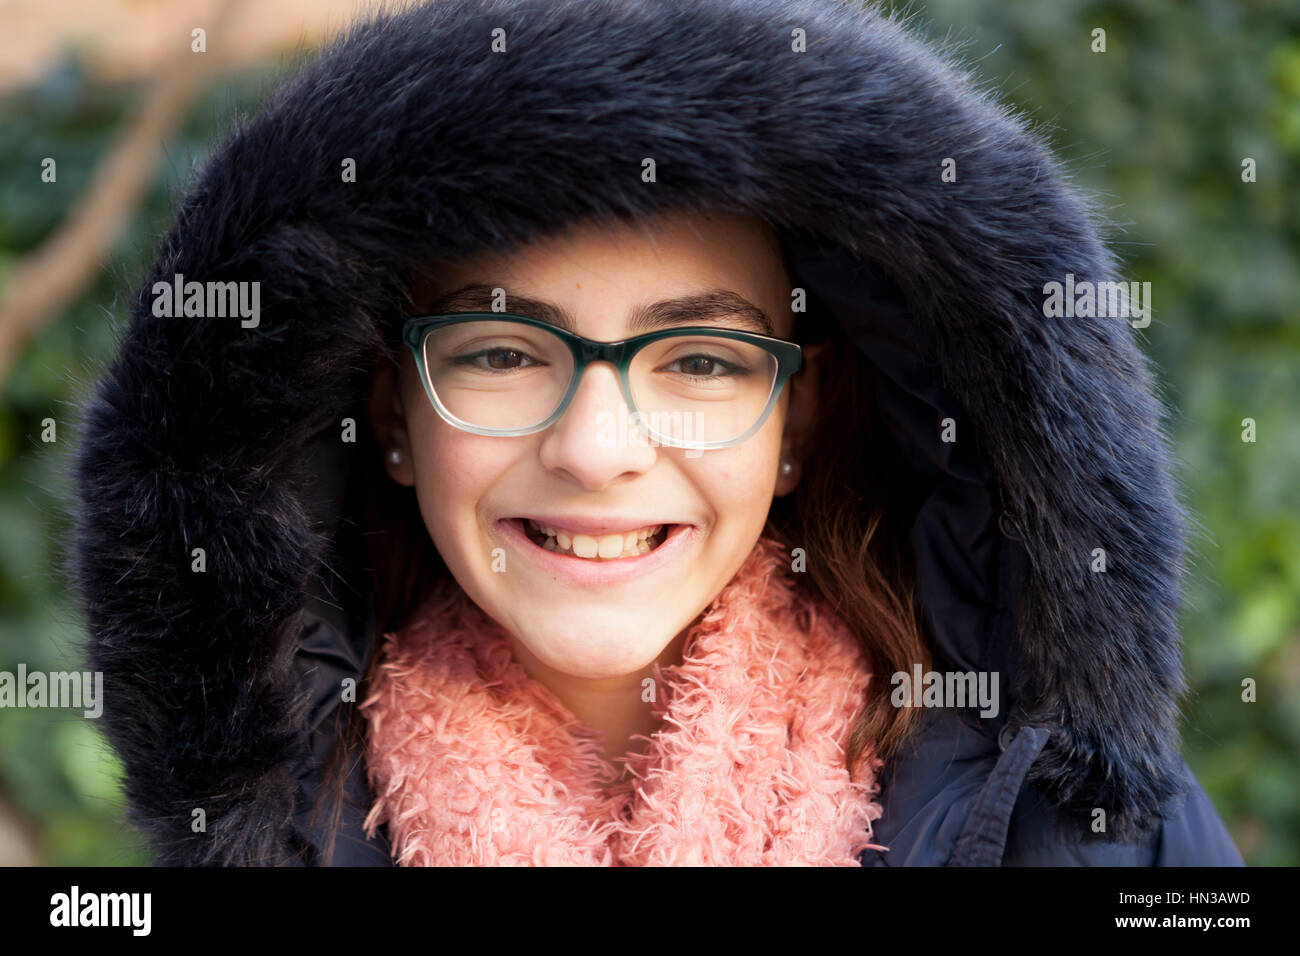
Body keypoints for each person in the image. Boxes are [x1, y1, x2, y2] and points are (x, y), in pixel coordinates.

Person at [69, 0, 1244, 866]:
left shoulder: (1094, 840)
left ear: (795, 422)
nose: (596, 447)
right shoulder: (270, 837)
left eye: (698, 359)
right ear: (394, 415)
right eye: (499, 351)